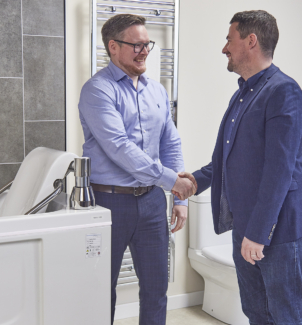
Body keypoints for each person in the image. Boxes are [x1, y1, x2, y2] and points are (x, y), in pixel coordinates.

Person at [180, 10, 302, 324]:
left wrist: (259, 234)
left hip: (277, 233)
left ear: (251, 41)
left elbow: (279, 170)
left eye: (228, 40)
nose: (224, 48)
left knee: (285, 315)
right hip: (246, 228)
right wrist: (194, 181)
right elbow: (226, 159)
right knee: (256, 312)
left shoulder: (283, 92)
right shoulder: (242, 93)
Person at [78, 14, 195, 325]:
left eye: (147, 44)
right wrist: (173, 182)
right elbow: (119, 148)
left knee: (157, 288)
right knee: (101, 290)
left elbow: (171, 143)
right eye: (136, 45)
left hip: (152, 203)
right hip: (108, 203)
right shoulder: (97, 91)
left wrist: (179, 200)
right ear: (113, 47)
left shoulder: (156, 91)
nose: (145, 51)